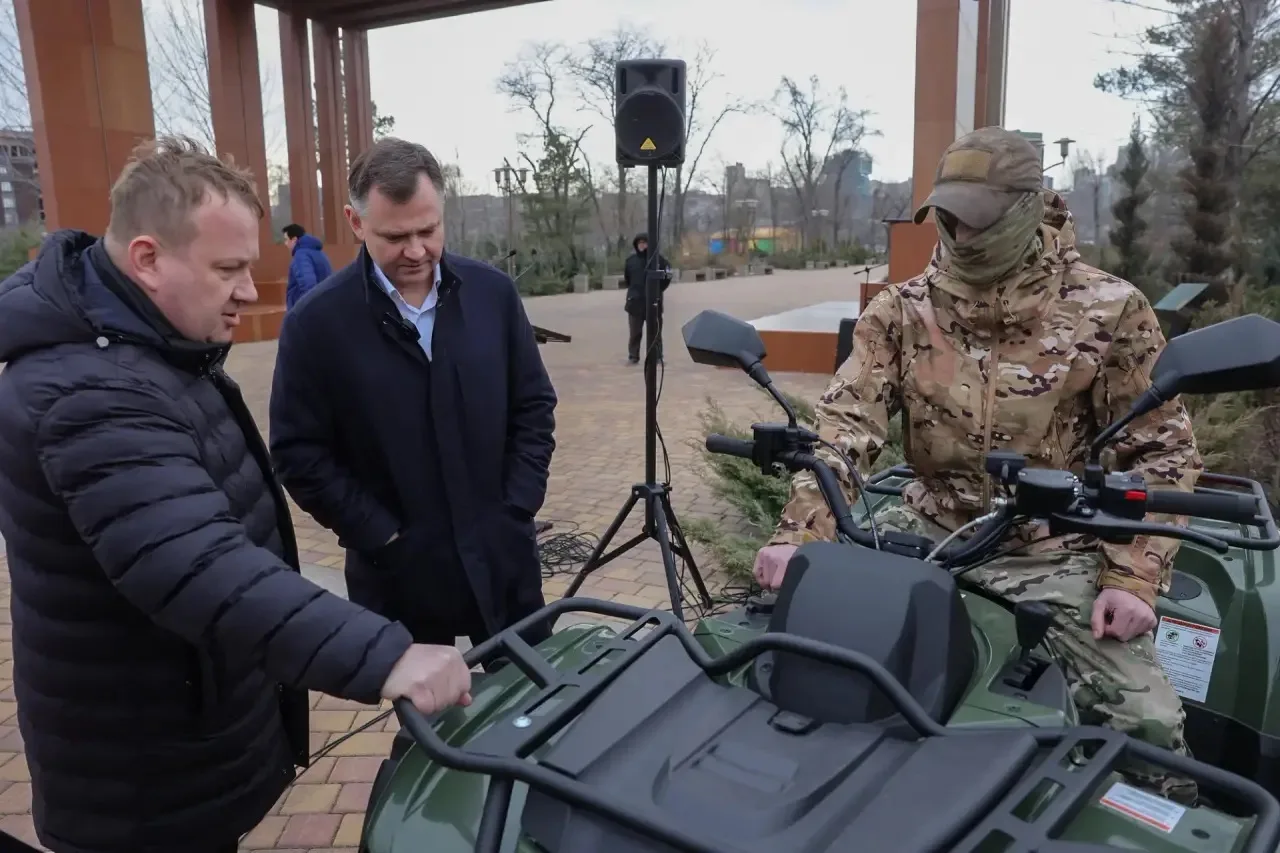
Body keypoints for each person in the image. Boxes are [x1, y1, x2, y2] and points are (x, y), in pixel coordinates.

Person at [0, 136, 475, 853]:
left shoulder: (149, 347)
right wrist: (387, 656)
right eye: (228, 269)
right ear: (147, 259)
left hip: (181, 736)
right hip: (137, 779)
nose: (250, 292)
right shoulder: (86, 389)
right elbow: (197, 562)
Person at [753, 127, 1203, 804]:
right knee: (806, 666)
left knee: (1145, 722)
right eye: (948, 214)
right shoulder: (901, 310)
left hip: (1053, 550)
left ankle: (1163, 825)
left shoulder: (1110, 309)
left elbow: (1162, 449)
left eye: (977, 216)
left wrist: (1133, 577)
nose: (959, 232)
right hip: (925, 534)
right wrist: (800, 532)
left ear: (1028, 207)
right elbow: (846, 426)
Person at [269, 137, 557, 650]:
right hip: (396, 578)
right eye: (396, 236)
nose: (417, 251)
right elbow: (298, 454)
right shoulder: (316, 324)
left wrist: (518, 503)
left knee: (534, 696)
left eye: (428, 230)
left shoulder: (493, 295)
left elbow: (533, 405)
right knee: (421, 705)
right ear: (356, 223)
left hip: (503, 560)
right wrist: (380, 533)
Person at [624, 232, 671, 364]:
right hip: (635, 303)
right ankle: (633, 356)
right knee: (635, 333)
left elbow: (667, 277)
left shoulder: (660, 260)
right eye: (639, 243)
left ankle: (657, 356)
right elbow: (627, 279)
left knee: (655, 332)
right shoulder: (630, 261)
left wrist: (658, 290)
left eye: (644, 242)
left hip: (654, 302)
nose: (642, 245)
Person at [282, 222, 333, 309]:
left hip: (308, 309)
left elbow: (308, 284)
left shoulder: (301, 255)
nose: (285, 243)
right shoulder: (319, 253)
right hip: (324, 304)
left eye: (286, 239)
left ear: (294, 239)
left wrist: (306, 309)